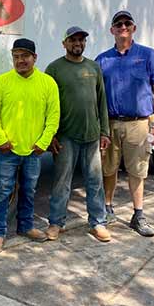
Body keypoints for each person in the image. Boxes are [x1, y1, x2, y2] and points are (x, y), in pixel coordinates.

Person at [95, 10, 154, 237]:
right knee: (108, 168)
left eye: (127, 23)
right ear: (112, 30)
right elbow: (96, 96)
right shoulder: (102, 59)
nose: (123, 27)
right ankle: (107, 208)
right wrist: (99, 128)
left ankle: (138, 215)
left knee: (138, 171)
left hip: (139, 123)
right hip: (110, 123)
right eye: (118, 24)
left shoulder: (148, 55)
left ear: (133, 28)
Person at [0, 38, 60, 252]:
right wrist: (1, 139)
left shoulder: (47, 83)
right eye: (16, 57)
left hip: (33, 150)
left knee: (29, 190)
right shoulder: (2, 82)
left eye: (25, 56)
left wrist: (43, 142)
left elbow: (53, 116)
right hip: (7, 149)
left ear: (34, 58)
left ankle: (25, 227)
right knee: (2, 191)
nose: (20, 61)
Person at [46, 26, 111, 242]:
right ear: (64, 43)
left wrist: (105, 132)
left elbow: (102, 101)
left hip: (92, 136)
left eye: (81, 40)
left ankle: (98, 222)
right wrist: (51, 136)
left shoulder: (94, 68)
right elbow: (48, 105)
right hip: (65, 136)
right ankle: (56, 223)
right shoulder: (54, 69)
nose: (78, 43)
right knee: (62, 181)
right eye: (73, 40)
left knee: (95, 181)